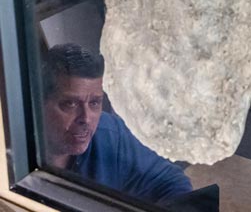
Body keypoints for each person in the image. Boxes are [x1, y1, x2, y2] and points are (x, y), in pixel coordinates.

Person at [41, 43, 193, 204]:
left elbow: (170, 182)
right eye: (70, 104)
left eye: (94, 103)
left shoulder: (110, 134)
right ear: (39, 103)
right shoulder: (15, 161)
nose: (86, 118)